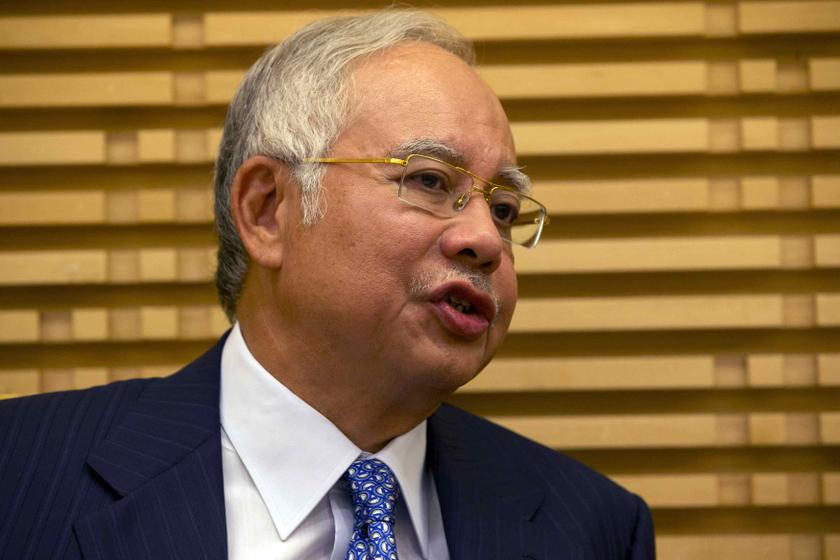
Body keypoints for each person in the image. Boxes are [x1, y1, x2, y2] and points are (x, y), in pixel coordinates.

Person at [0, 10, 654, 560]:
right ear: (267, 210)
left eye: (505, 209)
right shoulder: (20, 475)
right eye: (428, 180)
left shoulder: (593, 528)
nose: (486, 240)